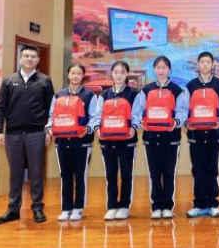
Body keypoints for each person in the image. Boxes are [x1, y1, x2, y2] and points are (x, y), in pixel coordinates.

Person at [0, 45, 55, 225]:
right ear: (20, 58)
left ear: (38, 60)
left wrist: (49, 130)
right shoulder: (9, 80)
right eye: (26, 56)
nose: (29, 59)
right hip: (13, 135)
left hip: (36, 133)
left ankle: (37, 208)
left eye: (33, 56)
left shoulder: (45, 81)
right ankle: (13, 210)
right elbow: (0, 107)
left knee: (36, 173)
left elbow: (51, 108)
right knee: (15, 173)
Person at [131, 56, 189, 219]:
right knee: (154, 173)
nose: (161, 70)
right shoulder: (146, 90)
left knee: (169, 173)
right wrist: (141, 122)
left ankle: (168, 206)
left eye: (164, 67)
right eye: (158, 67)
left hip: (171, 137)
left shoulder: (177, 90)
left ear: (169, 69)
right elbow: (137, 111)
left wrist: (176, 122)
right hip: (150, 137)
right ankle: (156, 206)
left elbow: (182, 111)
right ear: (154, 70)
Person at [46, 63, 98, 222]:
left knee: (80, 176)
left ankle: (78, 208)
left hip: (82, 143)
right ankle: (66, 208)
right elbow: (51, 116)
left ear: (83, 76)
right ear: (68, 75)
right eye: (73, 73)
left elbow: (94, 117)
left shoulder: (89, 95)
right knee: (65, 175)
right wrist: (49, 130)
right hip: (62, 142)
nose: (75, 76)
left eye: (78, 73)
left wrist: (88, 129)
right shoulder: (58, 95)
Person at [185, 52, 219, 218]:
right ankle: (199, 204)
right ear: (198, 65)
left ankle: (212, 203)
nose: (205, 65)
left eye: (208, 62)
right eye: (202, 62)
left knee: (212, 169)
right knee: (198, 169)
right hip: (195, 135)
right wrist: (187, 122)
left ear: (213, 65)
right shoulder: (191, 86)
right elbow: (184, 109)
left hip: (214, 134)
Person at [92, 60, 140, 220]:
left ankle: (125, 206)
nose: (119, 75)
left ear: (127, 74)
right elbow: (98, 116)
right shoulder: (104, 95)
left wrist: (133, 128)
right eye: (116, 72)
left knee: (126, 174)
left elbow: (137, 115)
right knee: (110, 175)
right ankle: (112, 206)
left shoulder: (133, 94)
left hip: (127, 140)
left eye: (122, 72)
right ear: (111, 74)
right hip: (107, 140)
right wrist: (98, 129)